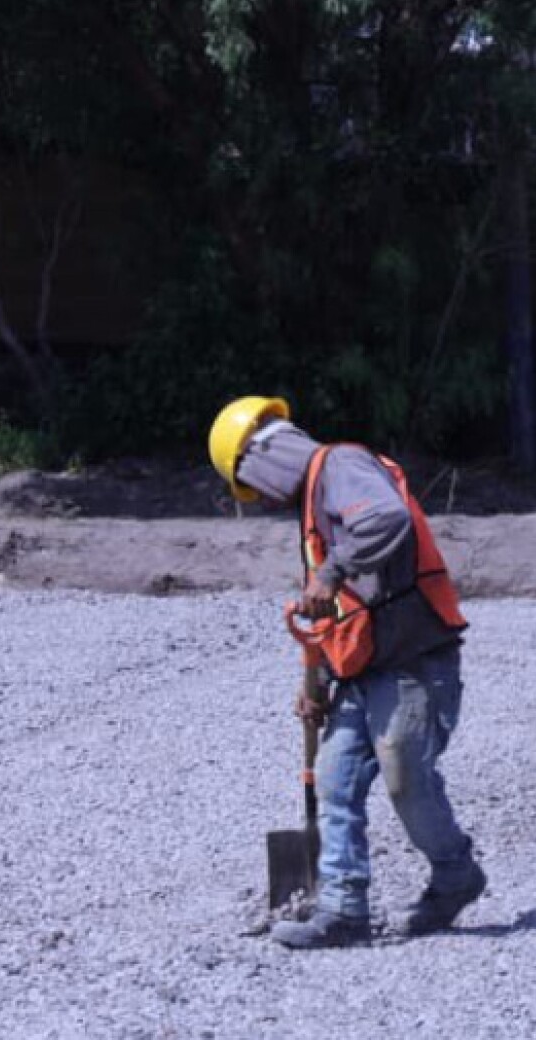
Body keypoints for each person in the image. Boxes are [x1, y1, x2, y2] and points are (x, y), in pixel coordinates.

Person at [208, 396, 487, 949]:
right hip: (364, 672)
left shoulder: (340, 467)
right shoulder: (316, 503)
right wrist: (317, 685)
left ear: (258, 459)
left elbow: (389, 519)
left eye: (250, 486)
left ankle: (456, 874)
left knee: (407, 779)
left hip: (413, 663)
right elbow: (348, 611)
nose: (261, 500)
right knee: (334, 782)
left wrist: (331, 571)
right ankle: (343, 910)